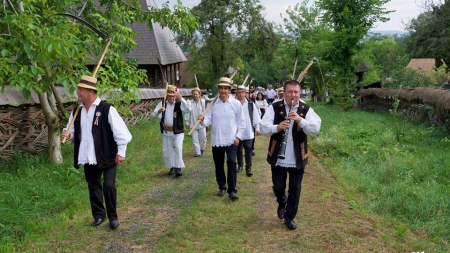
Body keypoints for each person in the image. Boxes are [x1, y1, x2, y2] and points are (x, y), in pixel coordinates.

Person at [62, 75, 132, 229]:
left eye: (80, 89)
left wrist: (121, 152)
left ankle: (113, 217)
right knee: (93, 186)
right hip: (88, 156)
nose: (77, 92)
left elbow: (122, 134)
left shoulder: (107, 109)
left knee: (108, 185)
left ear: (90, 91)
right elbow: (74, 132)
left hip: (108, 155)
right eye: (78, 89)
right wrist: (68, 134)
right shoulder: (77, 112)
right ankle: (99, 215)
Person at [260, 79, 321, 230]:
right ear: (284, 93)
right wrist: (277, 127)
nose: (293, 95)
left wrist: (301, 120)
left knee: (295, 189)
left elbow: (315, 130)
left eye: (296, 92)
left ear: (299, 93)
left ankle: (289, 217)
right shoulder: (275, 107)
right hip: (278, 156)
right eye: (290, 92)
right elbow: (263, 128)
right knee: (278, 187)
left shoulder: (305, 109)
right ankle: (281, 201)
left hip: (298, 157)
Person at [198, 77, 245, 200]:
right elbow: (208, 120)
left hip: (231, 139)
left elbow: (242, 122)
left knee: (231, 162)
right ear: (218, 89)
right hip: (217, 139)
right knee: (218, 164)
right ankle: (222, 187)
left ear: (229, 90)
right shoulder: (212, 104)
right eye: (221, 88)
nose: (223, 91)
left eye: (226, 88)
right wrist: (203, 120)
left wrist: (238, 137)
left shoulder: (236, 104)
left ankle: (232, 190)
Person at [151, 85, 190, 177]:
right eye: (170, 96)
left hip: (178, 131)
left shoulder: (179, 103)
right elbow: (153, 115)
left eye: (174, 96)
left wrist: (181, 98)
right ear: (167, 96)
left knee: (178, 148)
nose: (172, 98)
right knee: (168, 150)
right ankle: (172, 166)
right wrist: (158, 112)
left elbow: (189, 109)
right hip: (166, 131)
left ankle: (178, 168)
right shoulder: (163, 103)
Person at [235, 85, 261, 176]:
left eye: (243, 92)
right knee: (238, 149)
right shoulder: (234, 103)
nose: (241, 94)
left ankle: (248, 168)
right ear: (237, 93)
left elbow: (255, 116)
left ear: (245, 93)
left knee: (248, 148)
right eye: (239, 92)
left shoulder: (250, 104)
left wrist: (257, 128)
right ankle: (240, 165)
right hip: (237, 131)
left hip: (248, 129)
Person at [185, 87, 207, 157]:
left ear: (199, 94)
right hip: (193, 124)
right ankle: (197, 152)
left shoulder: (203, 102)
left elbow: (206, 111)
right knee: (195, 140)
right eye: (194, 94)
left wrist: (204, 117)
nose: (195, 95)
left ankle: (202, 149)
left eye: (196, 94)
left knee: (203, 138)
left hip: (201, 124)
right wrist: (187, 122)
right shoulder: (190, 103)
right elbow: (187, 113)